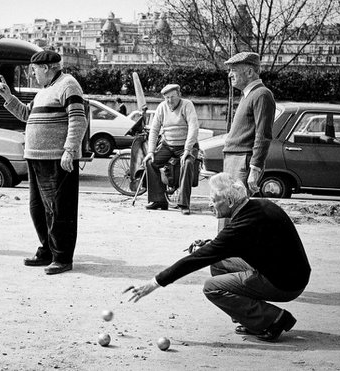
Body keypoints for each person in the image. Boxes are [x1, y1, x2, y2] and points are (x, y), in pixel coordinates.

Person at [126, 172, 311, 342]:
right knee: (218, 264)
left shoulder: (240, 227)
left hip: (286, 284)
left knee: (211, 287)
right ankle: (251, 317)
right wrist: (210, 245)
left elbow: (195, 260)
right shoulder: (260, 205)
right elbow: (242, 244)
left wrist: (154, 283)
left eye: (214, 200)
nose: (210, 204)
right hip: (290, 272)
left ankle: (272, 320)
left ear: (230, 201)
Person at [0, 50, 88, 275]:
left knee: (59, 210)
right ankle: (47, 250)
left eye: (35, 69)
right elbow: (28, 115)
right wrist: (9, 97)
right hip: (36, 157)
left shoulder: (68, 85)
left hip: (56, 158)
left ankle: (62, 257)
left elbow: (78, 119)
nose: (33, 74)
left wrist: (69, 150)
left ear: (47, 68)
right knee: (38, 209)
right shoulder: (44, 91)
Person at [142, 84, 199, 215]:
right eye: (167, 97)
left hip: (186, 145)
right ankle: (159, 200)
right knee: (150, 162)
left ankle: (184, 203)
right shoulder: (162, 107)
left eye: (172, 97)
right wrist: (150, 151)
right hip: (168, 145)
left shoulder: (187, 105)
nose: (169, 100)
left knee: (188, 163)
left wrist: (187, 150)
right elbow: (155, 129)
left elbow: (193, 127)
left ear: (179, 95)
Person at [223, 52, 275, 195]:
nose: (229, 75)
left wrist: (255, 169)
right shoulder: (250, 94)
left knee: (237, 207)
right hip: (236, 159)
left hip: (242, 160)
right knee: (230, 208)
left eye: (233, 70)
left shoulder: (262, 94)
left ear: (250, 72)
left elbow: (263, 135)